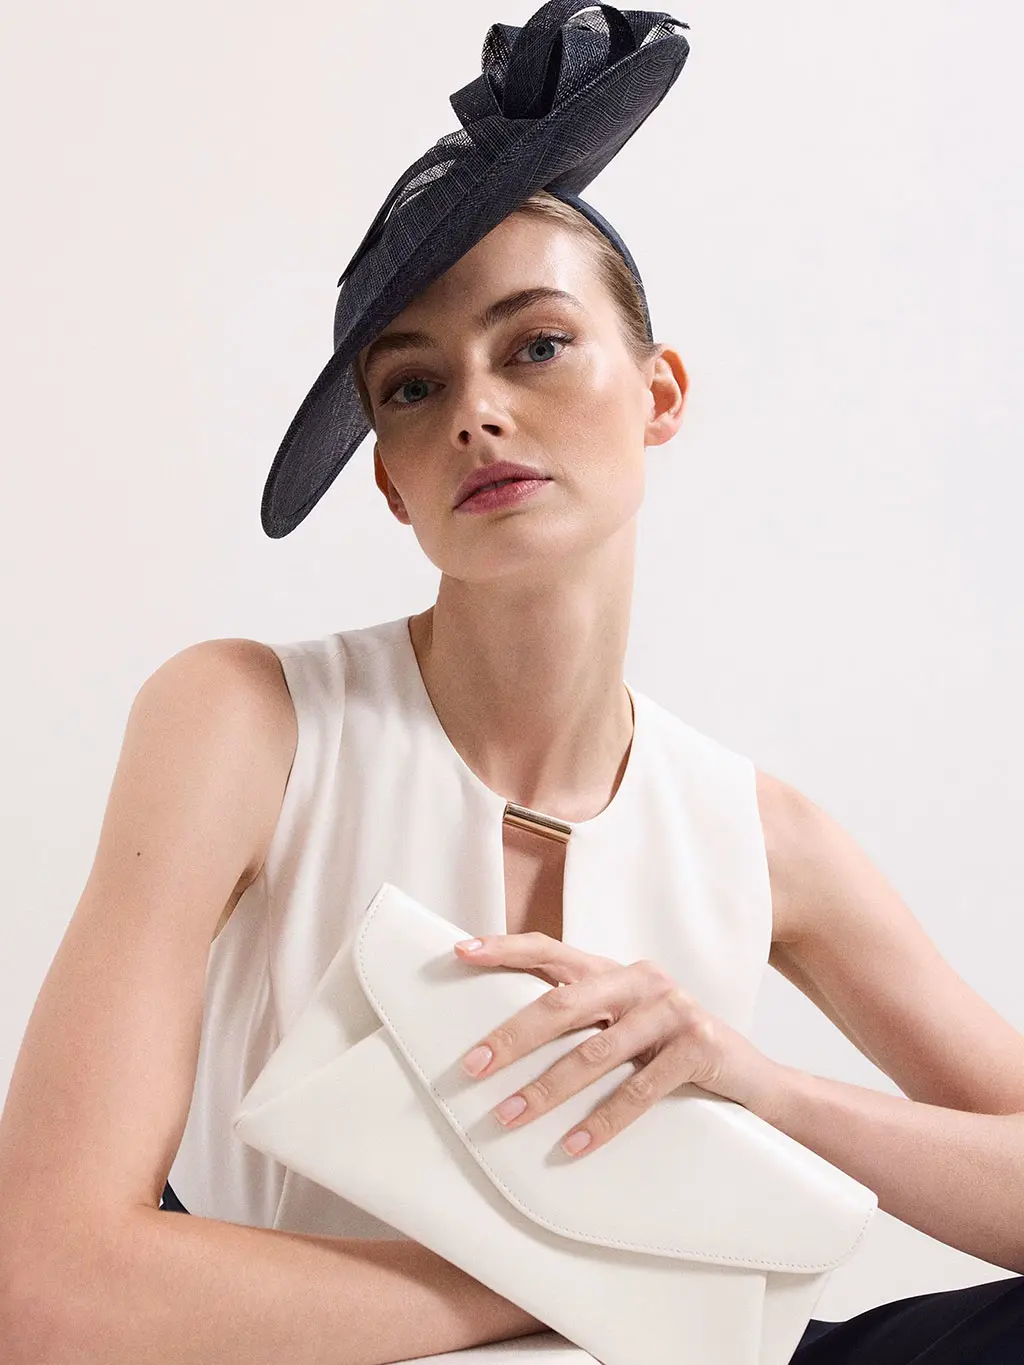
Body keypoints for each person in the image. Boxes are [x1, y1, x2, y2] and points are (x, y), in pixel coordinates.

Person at [3, 5, 1024, 1363]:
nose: (477, 408)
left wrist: (760, 1089)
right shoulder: (245, 720)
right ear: (392, 483)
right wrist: (592, 1283)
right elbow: (49, 1288)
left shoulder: (762, 833)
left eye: (536, 345)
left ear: (658, 394)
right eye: (413, 388)